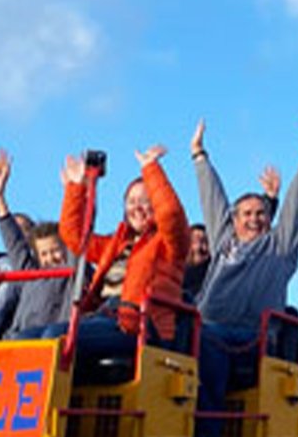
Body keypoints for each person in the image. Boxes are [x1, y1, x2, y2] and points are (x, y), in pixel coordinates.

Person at [191, 116, 298, 437]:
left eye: (260, 214)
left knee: (207, 343)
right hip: (209, 327)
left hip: (251, 336)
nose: (254, 219)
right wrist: (199, 155)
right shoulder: (224, 241)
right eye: (246, 214)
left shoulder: (278, 248)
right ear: (234, 221)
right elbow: (212, 199)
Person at [44, 145, 190, 361]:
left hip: (138, 326)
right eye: (131, 202)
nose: (137, 207)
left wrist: (150, 169)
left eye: (145, 200)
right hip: (102, 316)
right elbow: (73, 236)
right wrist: (76, 187)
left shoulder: (170, 243)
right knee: (25, 338)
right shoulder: (116, 243)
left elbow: (170, 213)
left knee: (54, 338)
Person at [0, 149, 73, 338]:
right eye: (44, 254)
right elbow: (15, 244)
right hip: (19, 336)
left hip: (49, 337)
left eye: (55, 251)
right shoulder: (31, 274)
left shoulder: (70, 274)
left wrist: (72, 193)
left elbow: (76, 233)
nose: (50, 258)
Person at [183, 166, 281, 303]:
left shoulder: (218, 267)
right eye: (193, 241)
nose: (198, 247)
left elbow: (249, 232)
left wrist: (270, 199)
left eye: (205, 241)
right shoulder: (174, 273)